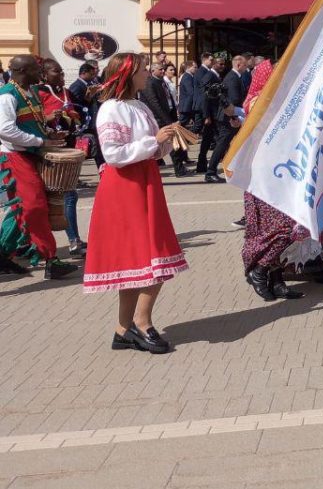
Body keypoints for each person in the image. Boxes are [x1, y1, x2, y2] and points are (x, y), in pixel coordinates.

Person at [83, 53, 188, 354]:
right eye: (143, 70)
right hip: (124, 187)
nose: (147, 73)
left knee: (140, 259)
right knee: (151, 255)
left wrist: (166, 139)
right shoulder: (110, 109)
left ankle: (122, 329)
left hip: (145, 182)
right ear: (128, 75)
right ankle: (142, 324)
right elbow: (113, 154)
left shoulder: (138, 105)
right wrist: (153, 140)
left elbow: (153, 149)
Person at [239, 61, 323, 300]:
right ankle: (260, 270)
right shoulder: (259, 102)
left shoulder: (277, 100)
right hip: (267, 176)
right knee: (282, 227)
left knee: (292, 225)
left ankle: (277, 281)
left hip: (285, 172)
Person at [0, 54, 76, 279]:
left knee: (21, 209)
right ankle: (50, 259)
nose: (39, 73)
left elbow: (34, 121)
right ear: (22, 71)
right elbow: (5, 130)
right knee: (34, 206)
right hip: (14, 157)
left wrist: (50, 133)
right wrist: (41, 141)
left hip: (31, 154)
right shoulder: (6, 96)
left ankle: (4, 253)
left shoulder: (30, 92)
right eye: (35, 69)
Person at [35, 58, 87, 258]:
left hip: (65, 147)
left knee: (63, 197)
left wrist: (73, 117)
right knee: (66, 195)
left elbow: (75, 111)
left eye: (62, 72)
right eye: (57, 72)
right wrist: (47, 119)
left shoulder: (64, 92)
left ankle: (72, 240)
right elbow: (31, 120)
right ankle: (72, 241)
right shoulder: (38, 93)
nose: (61, 76)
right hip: (47, 152)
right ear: (44, 74)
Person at [140, 62, 189, 178]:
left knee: (173, 142)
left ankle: (179, 167)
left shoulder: (162, 81)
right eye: (160, 69)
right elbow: (154, 103)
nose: (163, 71)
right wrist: (167, 120)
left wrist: (174, 116)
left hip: (168, 115)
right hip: (157, 118)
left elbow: (169, 99)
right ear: (153, 71)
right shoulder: (149, 83)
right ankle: (178, 168)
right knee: (170, 142)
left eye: (163, 69)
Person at [205, 55, 247, 183]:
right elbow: (232, 100)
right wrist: (234, 116)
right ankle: (210, 172)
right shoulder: (232, 78)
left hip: (230, 116)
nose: (246, 68)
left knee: (231, 143)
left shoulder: (234, 77)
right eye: (245, 65)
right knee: (222, 144)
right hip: (228, 117)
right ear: (239, 65)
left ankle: (235, 167)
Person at [195, 55, 225, 177]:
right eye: (220, 64)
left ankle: (202, 165)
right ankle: (206, 167)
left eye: (224, 64)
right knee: (215, 140)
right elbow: (204, 97)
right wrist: (206, 115)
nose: (223, 66)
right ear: (214, 64)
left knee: (208, 140)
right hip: (211, 114)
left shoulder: (215, 75)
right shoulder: (209, 76)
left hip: (214, 113)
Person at [178, 61, 201, 132]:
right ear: (188, 67)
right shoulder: (187, 77)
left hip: (189, 106)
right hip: (187, 106)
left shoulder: (190, 76)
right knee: (180, 124)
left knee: (198, 123)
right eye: (195, 67)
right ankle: (175, 138)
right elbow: (191, 92)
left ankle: (187, 137)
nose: (197, 69)